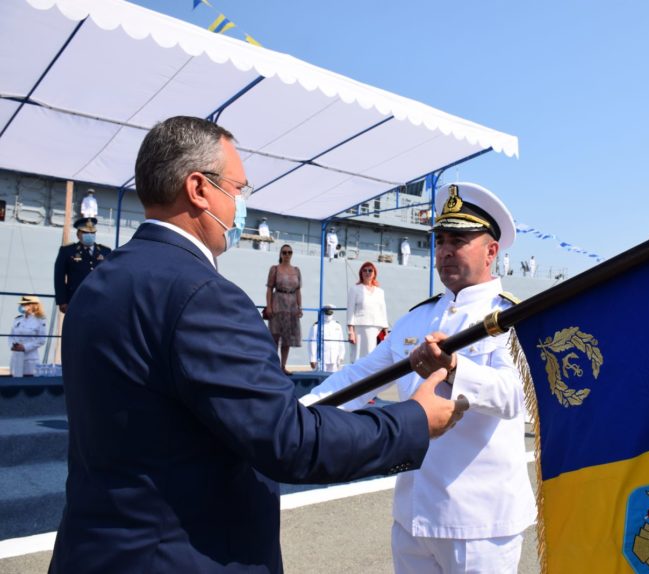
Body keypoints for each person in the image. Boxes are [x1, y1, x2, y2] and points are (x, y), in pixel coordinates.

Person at [49, 116, 467, 573]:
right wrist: (414, 420)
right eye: (238, 189)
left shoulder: (96, 284)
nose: (240, 206)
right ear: (198, 189)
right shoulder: (203, 295)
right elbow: (290, 443)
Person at [302, 182, 536, 573]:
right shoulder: (417, 318)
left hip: (480, 520)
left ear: (491, 251)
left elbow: (517, 397)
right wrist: (296, 413)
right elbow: (361, 377)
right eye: (440, 240)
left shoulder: (511, 319)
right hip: (415, 512)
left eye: (458, 240)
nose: (444, 250)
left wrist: (457, 367)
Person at [53, 217, 111, 313]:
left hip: (99, 300)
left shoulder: (105, 251)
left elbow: (110, 277)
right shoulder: (68, 251)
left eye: (92, 233)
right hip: (75, 299)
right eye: (85, 233)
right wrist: (62, 301)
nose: (89, 235)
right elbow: (59, 277)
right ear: (78, 234)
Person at [265, 245, 303, 374]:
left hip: (291, 306)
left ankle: (283, 366)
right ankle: (273, 365)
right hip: (278, 304)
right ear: (280, 254)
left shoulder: (297, 270)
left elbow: (298, 291)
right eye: (285, 252)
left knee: (287, 338)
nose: (287, 255)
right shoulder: (274, 269)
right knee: (275, 337)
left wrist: (299, 307)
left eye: (289, 252)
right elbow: (269, 288)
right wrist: (269, 306)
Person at [347, 261, 389, 363]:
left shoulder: (380, 292)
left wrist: (386, 331)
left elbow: (383, 310)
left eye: (370, 270)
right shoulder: (355, 289)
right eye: (364, 270)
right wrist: (350, 331)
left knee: (373, 355)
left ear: (374, 273)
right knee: (358, 355)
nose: (367, 272)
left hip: (376, 327)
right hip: (360, 326)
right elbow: (350, 311)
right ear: (361, 273)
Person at [9, 295, 47, 377]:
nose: (22, 306)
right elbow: (11, 336)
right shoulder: (17, 320)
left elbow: (41, 340)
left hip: (30, 359)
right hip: (16, 357)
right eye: (22, 304)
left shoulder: (39, 321)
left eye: (25, 304)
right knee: (13, 382)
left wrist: (25, 347)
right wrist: (12, 345)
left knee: (28, 382)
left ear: (33, 305)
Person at [308, 305, 346, 372]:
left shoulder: (337, 325)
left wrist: (341, 355)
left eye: (330, 313)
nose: (328, 316)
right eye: (327, 313)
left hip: (334, 357)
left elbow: (341, 342)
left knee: (333, 377)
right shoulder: (317, 326)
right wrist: (312, 358)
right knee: (321, 376)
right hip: (322, 357)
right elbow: (312, 343)